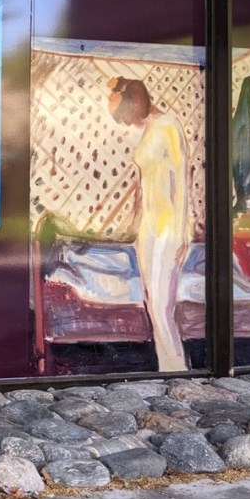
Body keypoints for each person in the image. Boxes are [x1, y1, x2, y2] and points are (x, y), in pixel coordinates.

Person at [108, 76, 190, 372]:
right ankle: (166, 367)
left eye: (126, 114)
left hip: (168, 228)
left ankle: (177, 369)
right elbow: (145, 182)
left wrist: (182, 231)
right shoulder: (149, 130)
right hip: (148, 228)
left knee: (161, 305)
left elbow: (182, 178)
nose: (127, 122)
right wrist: (135, 221)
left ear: (136, 101)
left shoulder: (168, 125)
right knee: (152, 302)